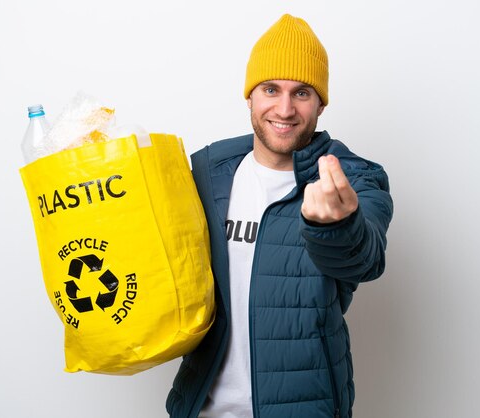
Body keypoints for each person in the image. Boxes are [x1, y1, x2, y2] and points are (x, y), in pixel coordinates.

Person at [166, 14, 393, 418]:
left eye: (302, 93)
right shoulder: (207, 171)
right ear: (250, 96)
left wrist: (335, 224)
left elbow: (366, 258)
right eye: (271, 89)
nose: (285, 109)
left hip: (304, 407)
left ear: (321, 102)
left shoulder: (353, 178)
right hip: (202, 406)